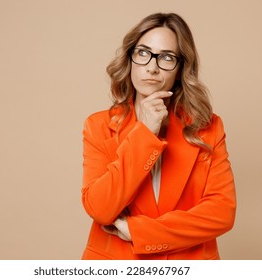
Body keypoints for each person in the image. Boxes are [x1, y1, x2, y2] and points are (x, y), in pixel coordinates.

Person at [81, 12, 236, 260]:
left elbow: (222, 213)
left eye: (166, 57)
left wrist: (140, 231)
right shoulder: (98, 125)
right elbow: (100, 208)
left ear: (180, 68)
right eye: (143, 53)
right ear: (130, 59)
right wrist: (145, 133)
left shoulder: (208, 127)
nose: (152, 67)